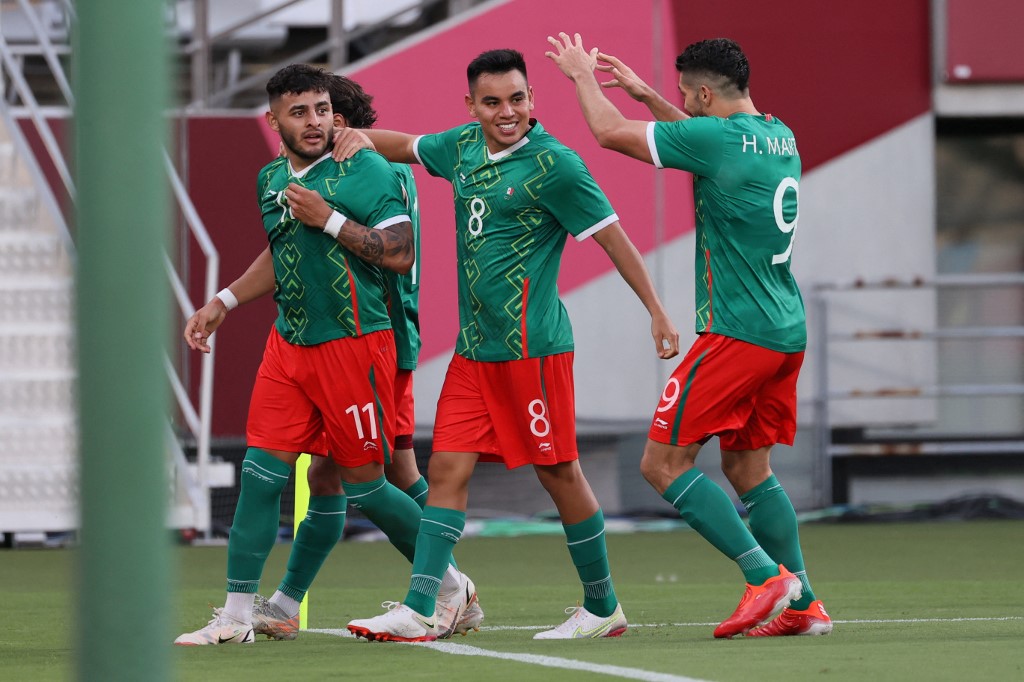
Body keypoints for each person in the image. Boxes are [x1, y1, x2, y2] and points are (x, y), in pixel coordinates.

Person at [323, 48, 679, 642]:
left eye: (517, 99)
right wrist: (352, 137)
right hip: (474, 353)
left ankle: (603, 606)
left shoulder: (556, 165)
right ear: (472, 106)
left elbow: (613, 239)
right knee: (446, 469)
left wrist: (657, 311)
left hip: (533, 353)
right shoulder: (461, 147)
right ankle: (424, 606)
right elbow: (407, 145)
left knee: (559, 474)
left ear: (532, 99)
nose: (507, 111)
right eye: (492, 102)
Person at [175, 64, 474, 646]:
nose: (314, 122)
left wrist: (329, 217)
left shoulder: (367, 169)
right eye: (300, 112)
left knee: (368, 483)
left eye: (321, 110)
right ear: (274, 120)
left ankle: (448, 585)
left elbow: (401, 252)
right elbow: (283, 249)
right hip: (289, 344)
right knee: (260, 475)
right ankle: (236, 617)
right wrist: (223, 301)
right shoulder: (270, 178)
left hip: (355, 345)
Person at [546, 34, 832, 638]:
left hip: (737, 333)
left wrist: (581, 76)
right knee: (749, 468)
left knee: (662, 463)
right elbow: (708, 143)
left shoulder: (716, 138)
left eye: (685, 95)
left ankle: (764, 576)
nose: (681, 103)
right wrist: (651, 96)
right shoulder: (778, 133)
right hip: (784, 331)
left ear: (704, 94)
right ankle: (804, 604)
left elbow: (609, 133)